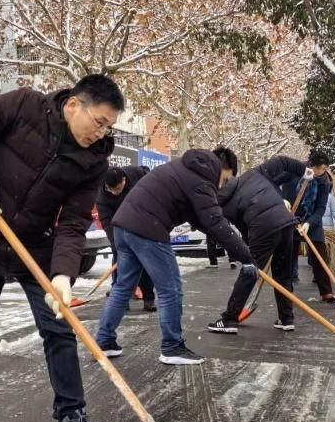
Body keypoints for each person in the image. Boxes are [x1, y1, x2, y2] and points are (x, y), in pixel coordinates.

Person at [0, 74, 124, 422]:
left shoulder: (94, 160)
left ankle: (71, 420)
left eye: (108, 126)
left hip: (36, 247)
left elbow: (74, 221)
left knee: (60, 330)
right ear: (74, 105)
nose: (101, 132)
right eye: (99, 122)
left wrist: (62, 274)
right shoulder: (24, 106)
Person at [95, 148, 254, 365]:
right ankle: (172, 347)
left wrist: (237, 251)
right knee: (171, 289)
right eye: (226, 179)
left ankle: (104, 341)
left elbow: (202, 219)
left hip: (123, 226)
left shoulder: (187, 168)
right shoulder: (203, 178)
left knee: (123, 287)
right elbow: (215, 221)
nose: (223, 185)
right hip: (147, 227)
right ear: (224, 168)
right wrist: (245, 256)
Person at [207, 148, 309, 334]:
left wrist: (250, 252)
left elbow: (244, 230)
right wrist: (303, 170)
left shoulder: (223, 204)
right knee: (283, 274)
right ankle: (287, 319)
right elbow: (283, 161)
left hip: (263, 228)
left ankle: (229, 319)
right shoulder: (256, 173)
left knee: (249, 271)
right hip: (287, 223)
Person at [97, 165, 156, 312]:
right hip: (118, 228)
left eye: (117, 189)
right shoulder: (102, 195)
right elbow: (106, 221)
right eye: (111, 190)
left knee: (143, 263)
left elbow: (149, 175)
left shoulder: (135, 174)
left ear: (124, 180)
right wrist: (116, 242)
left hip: (139, 223)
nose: (115, 193)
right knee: (120, 264)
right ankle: (122, 301)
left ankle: (148, 298)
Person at [285, 150, 335, 302]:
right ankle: (286, 290)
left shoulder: (324, 182)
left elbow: (320, 208)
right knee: (288, 254)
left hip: (311, 220)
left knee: (320, 255)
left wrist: (308, 223)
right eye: (321, 168)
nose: (323, 171)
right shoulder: (295, 172)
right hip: (290, 216)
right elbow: (275, 182)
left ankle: (326, 291)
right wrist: (282, 200)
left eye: (325, 168)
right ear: (312, 165)